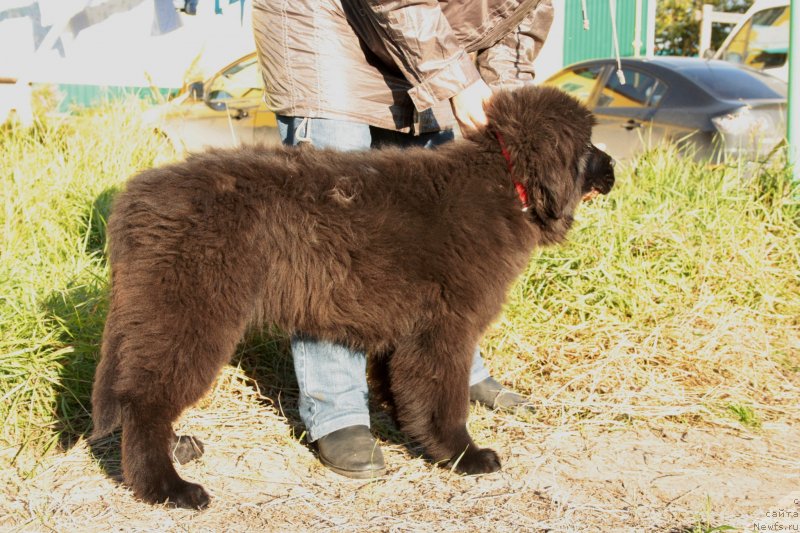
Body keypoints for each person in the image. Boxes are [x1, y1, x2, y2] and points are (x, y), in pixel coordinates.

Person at [251, 0, 554, 478]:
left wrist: (518, 132)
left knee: (437, 223)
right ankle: (338, 410)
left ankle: (455, 373)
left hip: (425, 44)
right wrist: (460, 79)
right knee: (334, 238)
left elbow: (516, 35)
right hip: (326, 25)